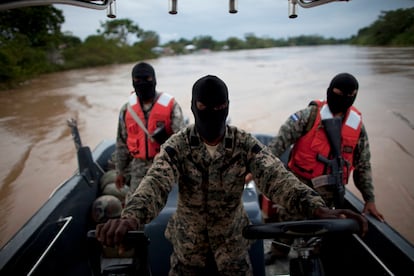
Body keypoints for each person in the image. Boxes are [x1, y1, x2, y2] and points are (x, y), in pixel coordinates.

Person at [96, 75, 368, 275]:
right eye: (203, 109)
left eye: (219, 109)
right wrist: (130, 216)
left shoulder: (244, 144)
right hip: (187, 248)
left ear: (227, 106)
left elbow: (277, 178)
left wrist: (317, 208)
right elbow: (154, 184)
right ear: (193, 107)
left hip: (233, 247)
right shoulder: (176, 146)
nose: (212, 115)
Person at [264, 72, 384, 264]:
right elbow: (278, 145)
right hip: (298, 185)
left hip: (330, 193)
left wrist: (369, 199)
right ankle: (278, 251)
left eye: (349, 95)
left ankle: (315, 256)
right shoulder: (307, 116)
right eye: (337, 93)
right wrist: (256, 171)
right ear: (329, 92)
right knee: (287, 221)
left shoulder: (357, 127)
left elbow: (363, 164)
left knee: (323, 232)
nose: (343, 99)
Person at [114, 62, 186, 194]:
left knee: (171, 204)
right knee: (134, 207)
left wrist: (169, 155)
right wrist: (120, 171)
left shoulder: (171, 106)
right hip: (139, 168)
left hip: (166, 164)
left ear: (154, 80)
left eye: (147, 79)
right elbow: (122, 143)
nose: (142, 83)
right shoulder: (127, 109)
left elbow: (182, 140)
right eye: (137, 80)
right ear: (132, 82)